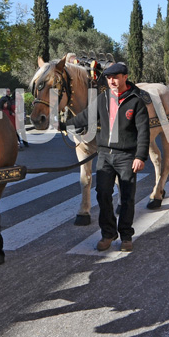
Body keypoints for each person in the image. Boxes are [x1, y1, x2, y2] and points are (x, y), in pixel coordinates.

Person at [60, 62, 149, 252]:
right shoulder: (103, 99)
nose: (112, 81)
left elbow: (143, 131)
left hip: (126, 156)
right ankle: (108, 234)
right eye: (109, 78)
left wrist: (140, 156)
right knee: (102, 195)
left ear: (125, 77)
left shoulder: (136, 100)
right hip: (105, 156)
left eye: (116, 77)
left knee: (127, 197)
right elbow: (85, 117)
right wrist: (63, 125)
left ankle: (126, 236)